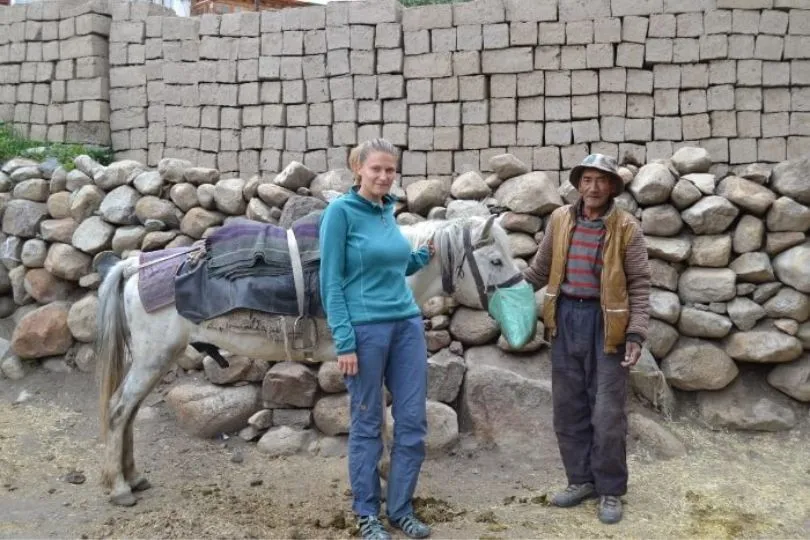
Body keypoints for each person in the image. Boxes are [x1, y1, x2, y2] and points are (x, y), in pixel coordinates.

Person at [522, 154, 650, 524]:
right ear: (578, 184)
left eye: (601, 181)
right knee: (568, 408)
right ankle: (580, 481)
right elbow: (540, 270)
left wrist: (636, 333)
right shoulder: (560, 220)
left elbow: (640, 283)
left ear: (612, 187)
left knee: (607, 413)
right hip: (564, 322)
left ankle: (610, 489)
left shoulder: (627, 228)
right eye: (587, 180)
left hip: (606, 324)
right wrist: (507, 292)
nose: (593, 187)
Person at [319, 139, 434, 540]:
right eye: (376, 170)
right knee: (367, 423)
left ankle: (401, 510)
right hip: (366, 332)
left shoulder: (389, 211)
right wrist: (344, 342)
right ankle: (367, 513)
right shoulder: (340, 213)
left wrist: (420, 257)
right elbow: (330, 282)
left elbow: (392, 265)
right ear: (358, 170)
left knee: (414, 422)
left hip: (406, 325)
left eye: (390, 170)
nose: (385, 176)